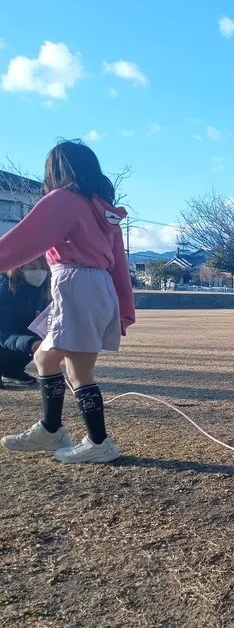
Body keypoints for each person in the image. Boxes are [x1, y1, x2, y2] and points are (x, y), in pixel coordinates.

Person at [0, 140, 135, 463]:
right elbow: (118, 264)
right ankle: (51, 429)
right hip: (95, 288)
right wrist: (124, 309)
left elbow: (23, 240)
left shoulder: (62, 200)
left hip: (75, 285)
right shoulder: (103, 212)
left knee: (79, 370)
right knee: (47, 358)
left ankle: (99, 442)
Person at [0, 259, 50, 387]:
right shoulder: (3, 290)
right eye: (33, 267)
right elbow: (3, 334)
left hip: (14, 342)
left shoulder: (41, 292)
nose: (40, 272)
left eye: (43, 267)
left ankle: (12, 371)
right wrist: (32, 343)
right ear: (18, 269)